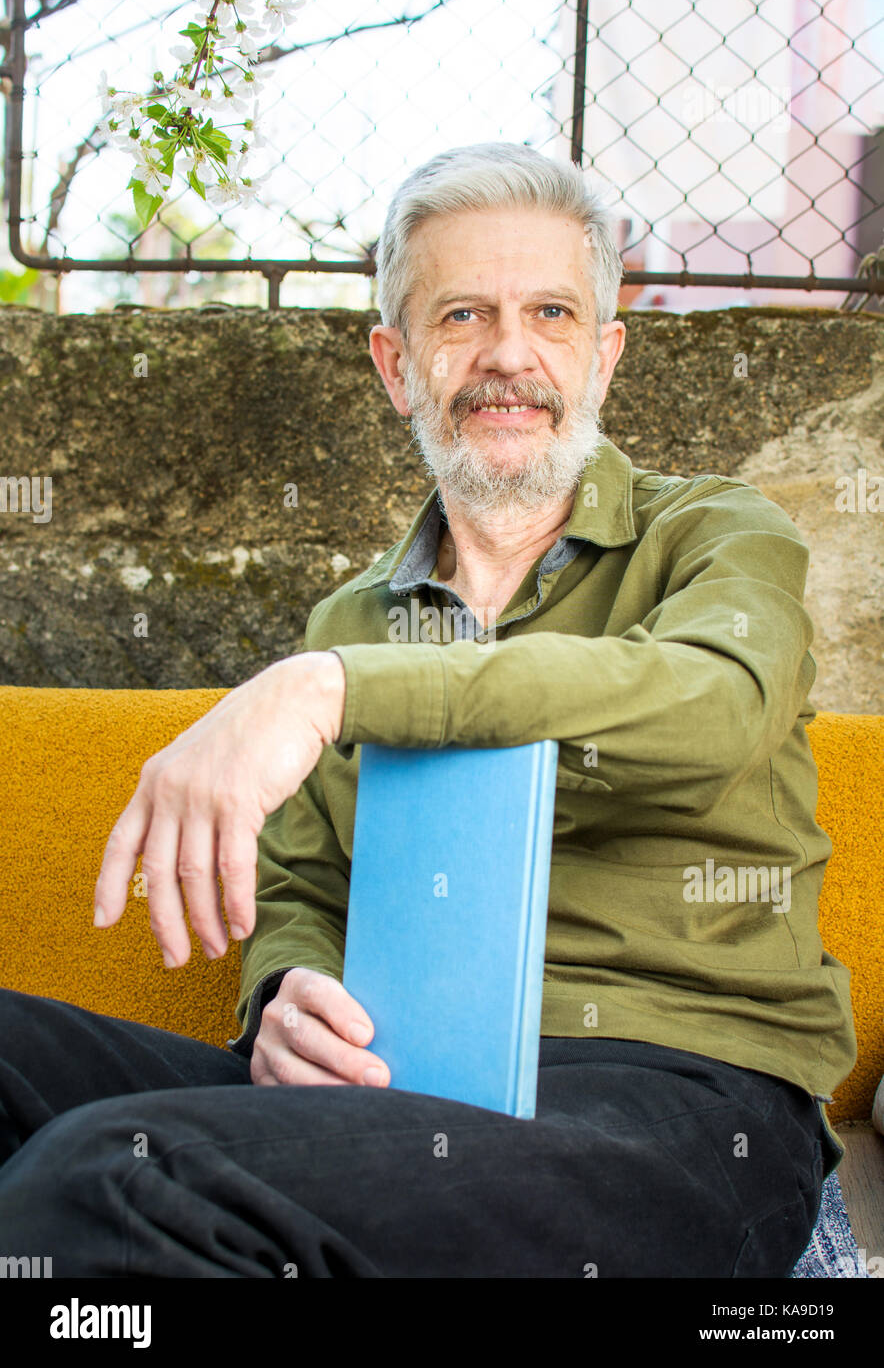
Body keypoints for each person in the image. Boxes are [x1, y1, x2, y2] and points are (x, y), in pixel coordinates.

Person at [0, 143, 855, 1278]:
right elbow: (301, 884)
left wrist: (341, 689)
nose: (509, 354)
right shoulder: (348, 616)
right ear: (396, 364)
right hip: (386, 1094)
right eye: (461, 316)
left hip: (672, 1102)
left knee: (115, 1176)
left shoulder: (714, 535)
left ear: (602, 356)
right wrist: (284, 999)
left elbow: (715, 705)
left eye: (550, 312)